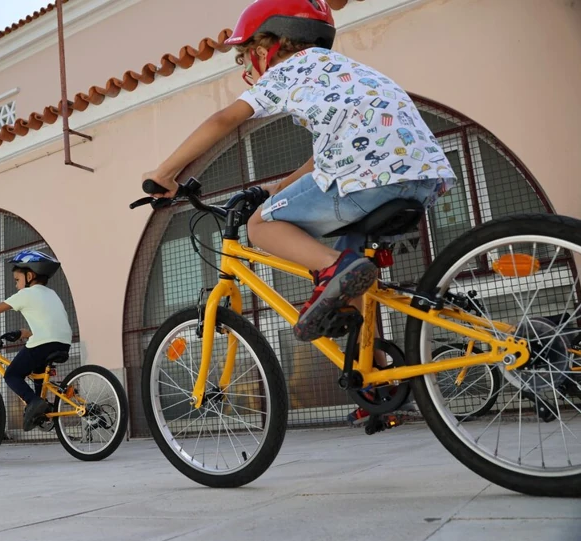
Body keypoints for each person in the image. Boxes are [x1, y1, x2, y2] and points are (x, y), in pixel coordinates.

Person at [141, 0, 454, 423]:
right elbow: (319, 165)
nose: (246, 65)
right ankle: (376, 376)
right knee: (355, 266)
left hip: (363, 175)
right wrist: (275, 187)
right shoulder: (345, 71)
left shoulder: (290, 69)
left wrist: (165, 172)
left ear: (268, 45)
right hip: (417, 177)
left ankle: (332, 269)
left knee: (261, 224)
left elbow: (223, 119)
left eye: (246, 55)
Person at [0, 249, 73, 431]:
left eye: (17, 280)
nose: (16, 286)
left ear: (30, 276)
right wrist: (25, 333)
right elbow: (49, 323)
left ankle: (34, 402)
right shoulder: (52, 294)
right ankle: (40, 408)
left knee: (12, 374)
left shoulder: (26, 294)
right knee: (37, 373)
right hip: (63, 343)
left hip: (43, 344)